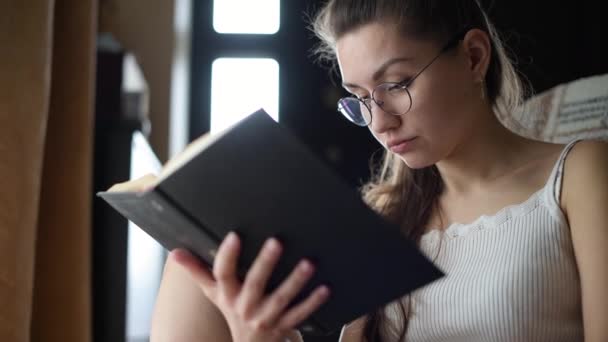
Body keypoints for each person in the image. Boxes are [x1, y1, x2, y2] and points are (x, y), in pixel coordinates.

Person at [150, 1, 608, 341]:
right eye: (361, 98)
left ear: (473, 57)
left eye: (396, 84)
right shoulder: (388, 214)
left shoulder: (578, 174)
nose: (380, 121)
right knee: (192, 269)